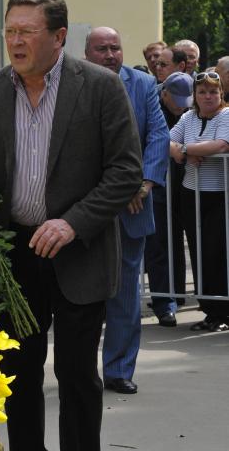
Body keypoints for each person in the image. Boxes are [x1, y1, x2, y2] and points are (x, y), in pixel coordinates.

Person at [0, 0, 143, 451]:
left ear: (59, 37)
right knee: (17, 370)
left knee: (75, 375)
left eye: (27, 31)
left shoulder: (101, 87)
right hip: (15, 255)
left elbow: (125, 170)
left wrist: (74, 221)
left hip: (79, 250)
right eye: (10, 30)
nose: (15, 41)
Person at [85, 26, 169, 392]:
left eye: (115, 48)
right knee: (83, 294)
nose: (110, 54)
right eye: (101, 48)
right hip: (86, 209)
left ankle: (119, 369)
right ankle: (81, 370)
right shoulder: (77, 84)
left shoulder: (144, 84)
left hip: (133, 205)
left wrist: (144, 182)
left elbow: (157, 135)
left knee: (125, 294)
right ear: (88, 54)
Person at [170, 71, 229, 332]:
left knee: (216, 252)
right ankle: (209, 309)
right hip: (190, 193)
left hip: (218, 195)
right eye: (203, 92)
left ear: (221, 94)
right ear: (195, 95)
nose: (208, 96)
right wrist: (183, 151)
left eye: (213, 92)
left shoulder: (226, 115)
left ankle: (222, 310)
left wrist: (184, 150)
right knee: (198, 251)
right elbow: (166, 139)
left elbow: (221, 145)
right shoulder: (188, 117)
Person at [145, 72, 194, 319]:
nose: (180, 107)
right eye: (176, 101)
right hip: (156, 186)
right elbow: (149, 137)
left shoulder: (187, 112)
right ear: (164, 94)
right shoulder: (150, 104)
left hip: (182, 186)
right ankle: (165, 303)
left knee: (176, 243)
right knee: (158, 246)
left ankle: (177, 295)